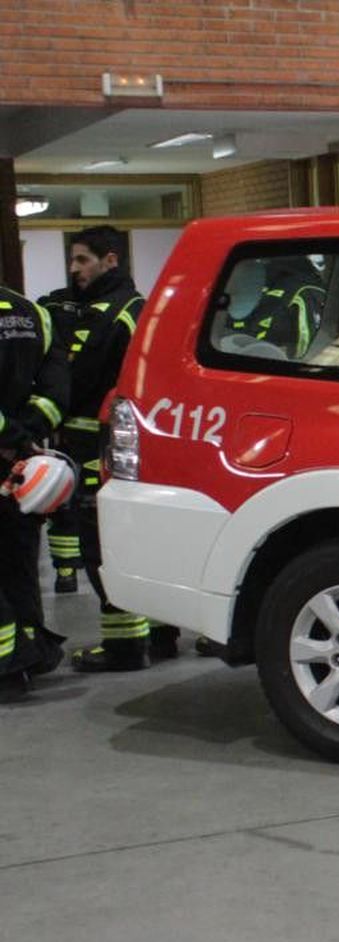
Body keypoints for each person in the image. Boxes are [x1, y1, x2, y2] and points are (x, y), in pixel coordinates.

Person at [52, 226, 178, 671]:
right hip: (115, 447)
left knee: (105, 546)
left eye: (83, 260)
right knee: (139, 542)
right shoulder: (115, 308)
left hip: (102, 447)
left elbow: (84, 378)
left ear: (110, 261)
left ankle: (125, 648)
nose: (74, 270)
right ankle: (162, 634)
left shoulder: (119, 313)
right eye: (73, 261)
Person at [0, 282, 71, 698]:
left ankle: (8, 668)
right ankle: (33, 651)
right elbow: (57, 390)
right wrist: (25, 434)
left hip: (10, 447)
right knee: (19, 559)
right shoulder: (33, 313)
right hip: (21, 459)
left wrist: (8, 434)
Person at [35, 283, 83, 593]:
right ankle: (66, 568)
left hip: (64, 421)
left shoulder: (50, 309)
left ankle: (66, 570)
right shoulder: (51, 308)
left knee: (62, 499)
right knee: (62, 499)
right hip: (64, 421)